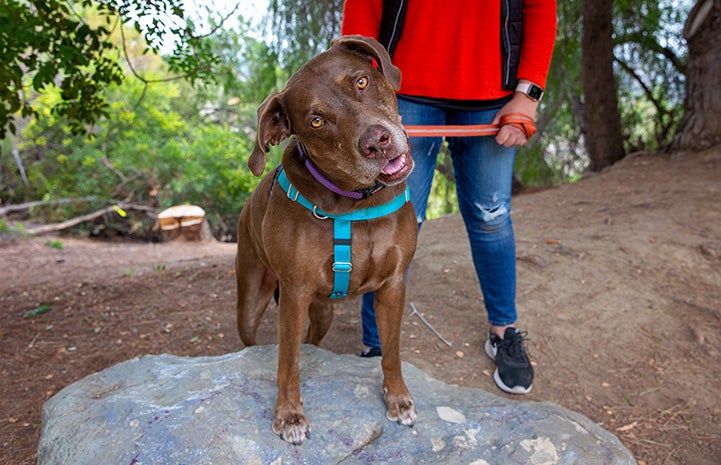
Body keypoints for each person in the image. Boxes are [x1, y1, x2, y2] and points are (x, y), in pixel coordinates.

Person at [341, 0, 557, 395]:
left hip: (495, 95)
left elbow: (539, 9)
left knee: (491, 217)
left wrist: (529, 93)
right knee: (393, 218)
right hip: (402, 92)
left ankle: (503, 331)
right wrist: (365, 86)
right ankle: (375, 346)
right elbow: (363, 7)